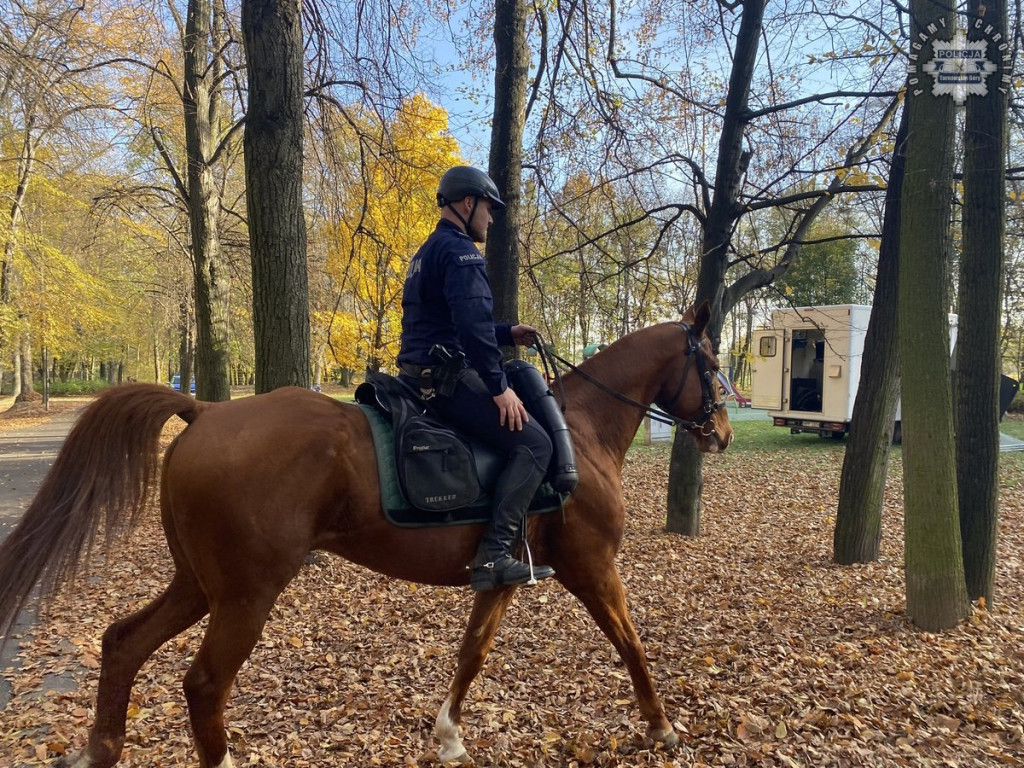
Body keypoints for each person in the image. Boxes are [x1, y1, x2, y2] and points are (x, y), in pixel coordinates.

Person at [397, 165, 555, 592]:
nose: (491, 217)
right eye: (489, 207)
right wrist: (499, 388)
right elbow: (469, 328)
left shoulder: (430, 249)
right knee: (536, 443)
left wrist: (507, 333)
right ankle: (495, 554)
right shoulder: (463, 251)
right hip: (445, 378)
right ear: (468, 203)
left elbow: (447, 320)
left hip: (419, 370)